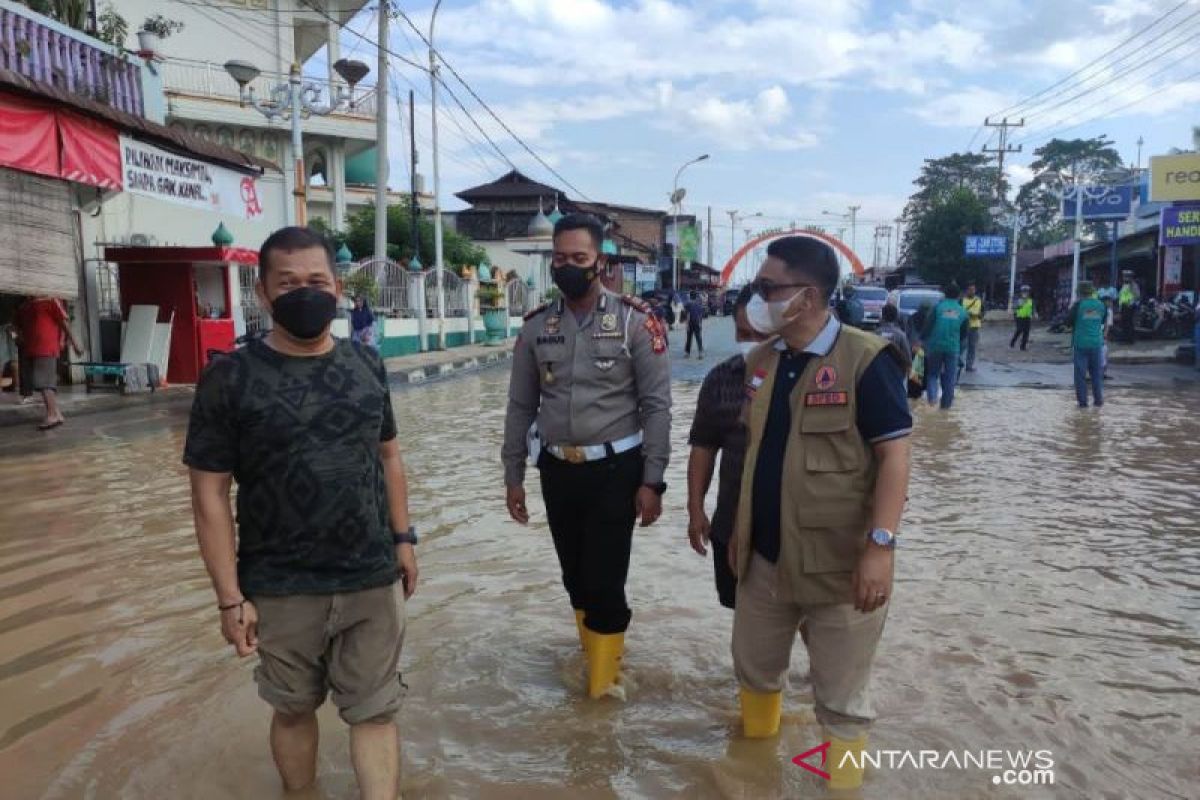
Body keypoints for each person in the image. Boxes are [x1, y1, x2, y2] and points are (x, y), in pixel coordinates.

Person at [184, 227, 419, 800]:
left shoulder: (367, 363)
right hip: (281, 584)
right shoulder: (228, 379)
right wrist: (230, 597)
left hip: (369, 573)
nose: (304, 293)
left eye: (316, 281)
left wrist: (403, 539)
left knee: (376, 711)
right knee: (292, 711)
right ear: (262, 294)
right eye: (287, 283)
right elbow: (208, 494)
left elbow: (388, 455)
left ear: (337, 288)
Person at [728, 237, 911, 792]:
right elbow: (756, 455)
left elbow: (895, 457)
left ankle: (842, 788)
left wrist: (880, 547)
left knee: (842, 703)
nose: (758, 299)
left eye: (767, 288)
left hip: (841, 567)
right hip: (763, 561)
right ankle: (754, 778)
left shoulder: (865, 360)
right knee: (755, 675)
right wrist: (739, 532)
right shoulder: (761, 362)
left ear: (807, 296)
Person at [502, 213, 672, 699]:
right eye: (560, 258)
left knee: (604, 582)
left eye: (579, 258)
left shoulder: (637, 321)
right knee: (574, 576)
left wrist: (652, 481)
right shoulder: (537, 327)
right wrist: (513, 474)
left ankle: (600, 695)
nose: (568, 267)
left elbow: (657, 406)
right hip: (557, 469)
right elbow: (520, 406)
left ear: (601, 262)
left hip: (617, 470)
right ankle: (596, 656)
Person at [686, 286, 765, 610]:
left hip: (797, 536)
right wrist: (695, 509)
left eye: (761, 334)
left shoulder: (815, 378)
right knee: (747, 627)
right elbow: (704, 446)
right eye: (744, 333)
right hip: (730, 525)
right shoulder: (722, 379)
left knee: (811, 628)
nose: (752, 343)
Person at [15, 295, 81, 430]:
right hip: (32, 348)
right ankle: (56, 413)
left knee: (43, 382)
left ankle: (52, 415)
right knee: (42, 382)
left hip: (46, 347)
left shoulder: (50, 300)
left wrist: (74, 343)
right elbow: (15, 326)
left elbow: (63, 322)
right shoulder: (25, 306)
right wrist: (17, 337)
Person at [922, 284, 969, 409]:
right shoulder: (963, 312)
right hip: (953, 348)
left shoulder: (937, 308)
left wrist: (921, 341)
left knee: (932, 375)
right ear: (959, 296)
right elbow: (964, 334)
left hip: (935, 346)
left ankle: (932, 401)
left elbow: (928, 327)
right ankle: (945, 408)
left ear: (945, 294)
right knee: (950, 378)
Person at [1066, 281, 1106, 408]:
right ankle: (1098, 402)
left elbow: (1067, 322)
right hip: (1096, 344)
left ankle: (1083, 404)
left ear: (1080, 293)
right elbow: (1102, 320)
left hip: (1081, 345)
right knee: (1096, 375)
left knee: (1080, 376)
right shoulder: (1100, 305)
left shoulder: (1078, 305)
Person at [961, 282, 983, 371]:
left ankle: (969, 366)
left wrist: (977, 315)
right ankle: (959, 363)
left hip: (974, 327)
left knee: (972, 347)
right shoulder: (962, 300)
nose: (972, 291)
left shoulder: (978, 300)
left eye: (973, 289)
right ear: (967, 290)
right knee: (962, 346)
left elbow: (982, 313)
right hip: (964, 327)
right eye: (970, 289)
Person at [684, 291, 707, 359]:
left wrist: (687, 325)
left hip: (691, 323)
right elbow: (701, 315)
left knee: (689, 339)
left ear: (690, 296)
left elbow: (688, 315)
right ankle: (700, 354)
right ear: (696, 296)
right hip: (698, 323)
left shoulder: (688, 304)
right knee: (698, 338)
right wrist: (700, 323)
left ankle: (687, 353)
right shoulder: (699, 304)